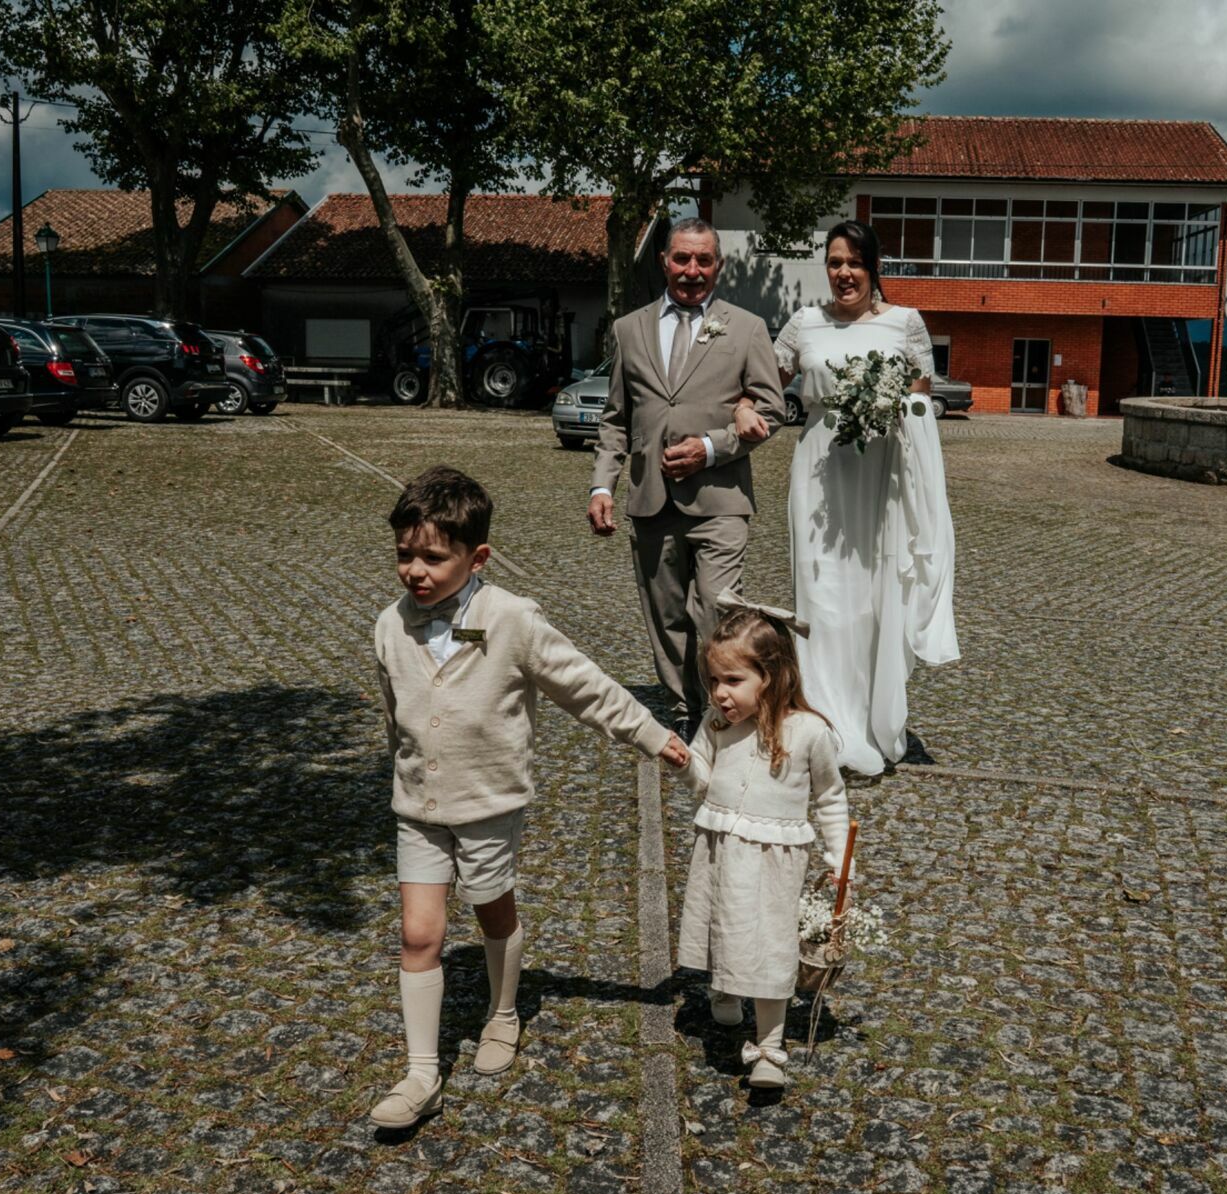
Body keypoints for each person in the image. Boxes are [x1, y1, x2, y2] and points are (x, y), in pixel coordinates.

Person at [369, 467, 690, 1129]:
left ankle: (503, 1011)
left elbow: (584, 686)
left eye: (434, 558)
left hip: (489, 802)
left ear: (477, 557)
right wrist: (398, 771)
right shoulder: (389, 626)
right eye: (405, 555)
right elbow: (394, 712)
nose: (415, 572)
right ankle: (422, 1072)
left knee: (491, 910)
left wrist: (654, 736)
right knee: (419, 934)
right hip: (418, 807)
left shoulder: (512, 619)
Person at [738, 219, 959, 775]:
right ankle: (823, 718)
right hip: (818, 470)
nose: (844, 273)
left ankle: (869, 717)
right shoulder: (804, 323)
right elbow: (765, 384)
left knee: (871, 595)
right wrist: (742, 406)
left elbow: (920, 401)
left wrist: (889, 405)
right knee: (819, 593)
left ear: (873, 267)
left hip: (880, 474)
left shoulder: (905, 323)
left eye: (855, 263)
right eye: (835, 262)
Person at [587, 217, 788, 741]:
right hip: (651, 500)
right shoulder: (628, 329)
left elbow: (772, 410)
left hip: (721, 500)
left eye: (703, 260)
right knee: (666, 615)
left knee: (717, 609)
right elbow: (616, 419)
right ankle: (683, 706)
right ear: (665, 262)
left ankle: (726, 706)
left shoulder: (746, 328)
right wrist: (603, 486)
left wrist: (710, 448)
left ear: (719, 266)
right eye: (682, 259)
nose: (692, 270)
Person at [677, 590, 849, 1090]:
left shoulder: (809, 732)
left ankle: (770, 1047)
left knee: (770, 945)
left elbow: (831, 797)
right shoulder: (716, 724)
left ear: (771, 677)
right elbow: (703, 777)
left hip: (776, 860)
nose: (719, 693)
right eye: (713, 680)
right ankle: (726, 990)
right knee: (721, 921)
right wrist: (684, 761)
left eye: (733, 680)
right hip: (720, 847)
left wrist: (840, 860)